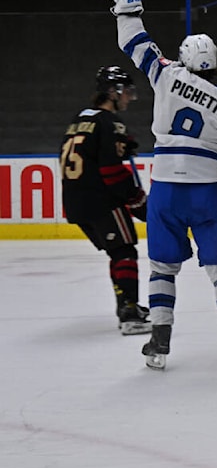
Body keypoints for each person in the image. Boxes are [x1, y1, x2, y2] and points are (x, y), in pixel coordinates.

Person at [103, 0, 217, 374]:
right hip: (207, 194)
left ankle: (158, 344)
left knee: (163, 268)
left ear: (184, 58)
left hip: (165, 191)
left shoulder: (166, 75)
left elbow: (133, 41)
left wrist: (129, 5)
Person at [59, 65, 150, 335]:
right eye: (127, 92)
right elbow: (111, 172)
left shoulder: (79, 119)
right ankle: (130, 313)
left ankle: (126, 305)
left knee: (117, 251)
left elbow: (89, 153)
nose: (129, 98)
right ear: (114, 92)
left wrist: (118, 147)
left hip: (76, 201)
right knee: (124, 251)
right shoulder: (109, 123)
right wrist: (136, 200)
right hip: (101, 200)